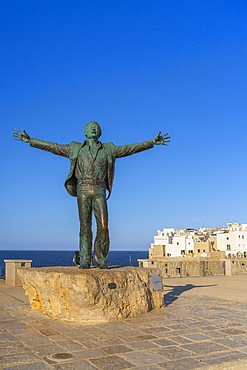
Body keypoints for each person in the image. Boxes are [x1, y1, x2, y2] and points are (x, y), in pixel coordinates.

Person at [13, 121, 170, 269]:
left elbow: (130, 149)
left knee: (103, 225)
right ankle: (85, 259)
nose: (93, 128)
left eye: (96, 127)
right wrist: (31, 140)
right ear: (85, 132)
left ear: (100, 132)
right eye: (90, 127)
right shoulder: (75, 148)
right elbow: (53, 147)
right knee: (85, 225)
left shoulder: (109, 149)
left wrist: (151, 143)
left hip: (100, 189)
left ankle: (101, 259)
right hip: (83, 189)